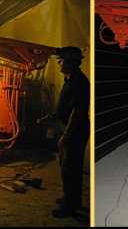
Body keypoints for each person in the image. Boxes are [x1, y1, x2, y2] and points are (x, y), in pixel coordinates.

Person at [37, 46, 90, 217]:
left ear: (70, 62)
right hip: (67, 128)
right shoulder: (70, 80)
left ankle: (70, 206)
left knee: (71, 169)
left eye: (61, 61)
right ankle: (70, 198)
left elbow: (77, 112)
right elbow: (65, 108)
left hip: (75, 130)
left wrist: (66, 136)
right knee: (66, 167)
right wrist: (50, 117)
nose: (59, 64)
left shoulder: (79, 82)